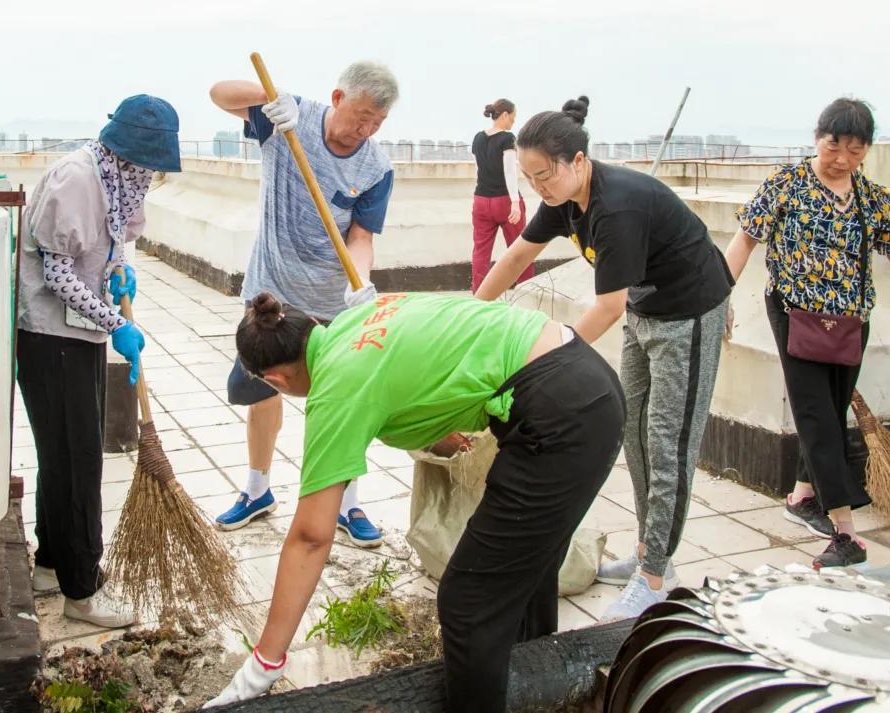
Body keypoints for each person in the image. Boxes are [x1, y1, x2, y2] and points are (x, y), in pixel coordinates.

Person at [203, 290, 624, 712]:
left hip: (560, 416)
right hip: (584, 376)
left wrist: (264, 663)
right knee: (522, 571)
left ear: (275, 381)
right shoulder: (355, 321)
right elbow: (417, 368)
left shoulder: (336, 386)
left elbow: (311, 538)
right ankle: (538, 687)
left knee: (468, 603)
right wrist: (441, 436)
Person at [474, 96, 734, 621]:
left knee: (668, 443)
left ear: (578, 162)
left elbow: (607, 306)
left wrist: (547, 360)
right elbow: (519, 254)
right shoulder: (564, 200)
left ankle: (658, 577)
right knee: (634, 432)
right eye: (529, 178)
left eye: (544, 175)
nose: (538, 187)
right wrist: (470, 314)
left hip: (689, 314)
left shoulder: (617, 208)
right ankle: (648, 554)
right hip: (646, 309)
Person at [724, 97, 890, 568]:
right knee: (816, 417)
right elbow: (745, 237)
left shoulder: (870, 197)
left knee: (831, 411)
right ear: (817, 138)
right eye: (833, 146)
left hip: (849, 324)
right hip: (794, 315)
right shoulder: (786, 184)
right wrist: (719, 297)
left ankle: (802, 496)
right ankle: (847, 534)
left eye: (855, 150)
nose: (842, 158)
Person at [208, 61, 398, 544]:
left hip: (332, 302)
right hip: (271, 289)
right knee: (262, 390)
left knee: (341, 402)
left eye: (377, 122)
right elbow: (219, 91)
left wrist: (361, 281)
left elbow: (362, 236)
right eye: (361, 116)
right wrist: (272, 97)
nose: (366, 129)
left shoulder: (375, 167)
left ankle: (347, 504)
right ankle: (257, 490)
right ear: (338, 99)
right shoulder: (287, 119)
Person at [16, 94, 181, 627]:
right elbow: (59, 277)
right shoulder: (77, 179)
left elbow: (109, 243)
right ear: (129, 154)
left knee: (63, 457)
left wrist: (118, 272)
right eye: (149, 167)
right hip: (51, 339)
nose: (150, 179)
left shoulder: (113, 179)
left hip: (76, 337)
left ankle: (50, 564)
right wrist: (120, 324)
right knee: (79, 461)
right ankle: (82, 593)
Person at [470, 98, 531, 292]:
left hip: (481, 200)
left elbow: (478, 169)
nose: (513, 122)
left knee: (480, 251)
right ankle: (524, 292)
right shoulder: (507, 138)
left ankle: (478, 296)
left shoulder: (478, 138)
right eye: (512, 117)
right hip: (504, 200)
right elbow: (510, 171)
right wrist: (514, 202)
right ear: (504, 115)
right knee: (521, 250)